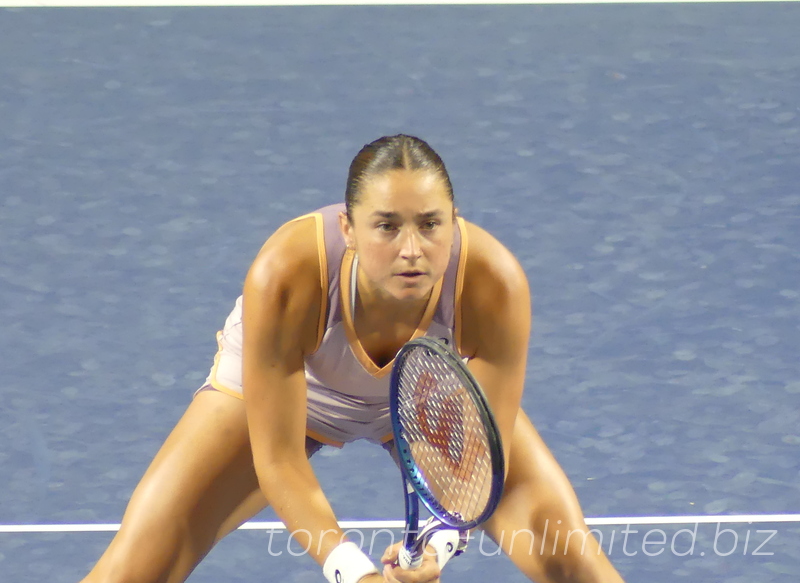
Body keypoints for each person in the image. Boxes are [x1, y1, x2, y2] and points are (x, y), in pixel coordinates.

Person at [80, 134, 627, 583]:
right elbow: (278, 461)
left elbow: (479, 467)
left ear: (454, 222)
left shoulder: (495, 284)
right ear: (349, 228)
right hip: (299, 394)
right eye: (387, 226)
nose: (411, 249)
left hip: (427, 400)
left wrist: (436, 545)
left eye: (430, 224)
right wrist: (352, 569)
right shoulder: (287, 274)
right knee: (135, 567)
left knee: (572, 558)